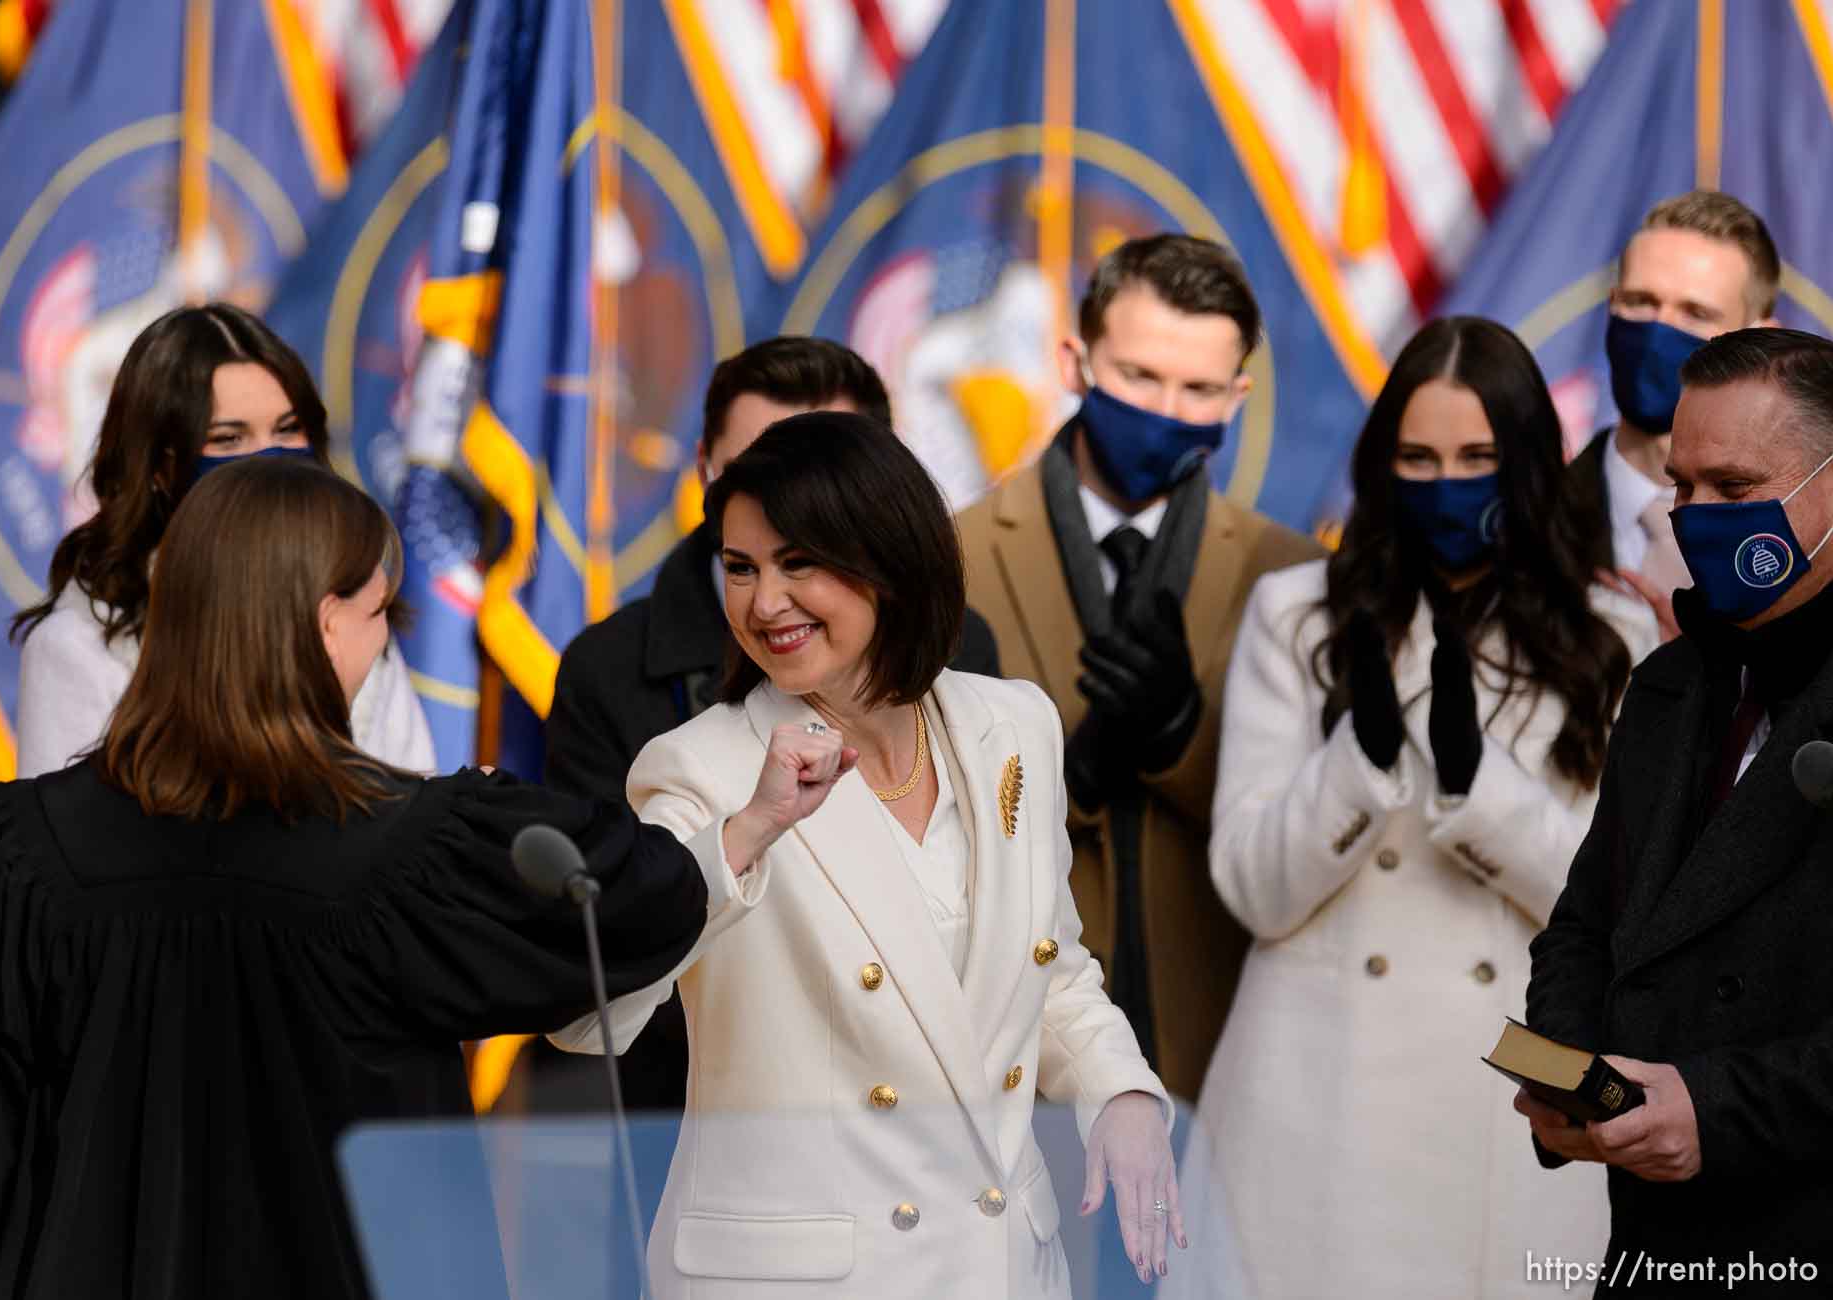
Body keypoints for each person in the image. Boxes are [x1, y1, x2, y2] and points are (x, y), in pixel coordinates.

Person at [0, 457, 821, 1299]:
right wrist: (748, 826)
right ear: (323, 624)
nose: (383, 641)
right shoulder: (411, 849)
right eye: (380, 611)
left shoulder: (22, 850)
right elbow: (624, 903)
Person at [551, 411, 1180, 1296]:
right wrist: (748, 832)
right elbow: (590, 1017)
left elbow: (1051, 970)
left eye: (798, 562)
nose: (763, 602)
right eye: (739, 568)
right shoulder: (699, 766)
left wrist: (1119, 1091)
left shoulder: (1015, 725)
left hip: (1002, 1267)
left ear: (889, 560)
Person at [1167, 317, 1656, 1300]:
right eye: (1419, 458)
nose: (1448, 485)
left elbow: (1617, 906)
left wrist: (1482, 792)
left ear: (1525, 464)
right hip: (1314, 1102)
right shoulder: (1299, 612)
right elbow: (1254, 888)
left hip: (1514, 1100)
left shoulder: (1614, 632)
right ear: (1384, 467)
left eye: (1477, 457)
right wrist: (1363, 756)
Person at [539, 335, 999, 1110]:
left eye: (825, 469)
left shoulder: (972, 662)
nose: (785, 496)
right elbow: (591, 984)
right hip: (700, 1110)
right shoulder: (618, 675)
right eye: (759, 465)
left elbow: (1026, 946)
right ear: (706, 476)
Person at [954, 233, 1321, 1102]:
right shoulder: (948, 559)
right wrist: (1064, 772)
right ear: (1074, 361)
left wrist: (1183, 743)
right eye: (1138, 377)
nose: (1165, 408)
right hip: (1012, 1059)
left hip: (1230, 1058)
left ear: (1237, 397)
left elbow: (1310, 829)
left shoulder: (1297, 577)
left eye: (1197, 389)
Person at [1522, 328, 1833, 1294]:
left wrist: (1711, 1110)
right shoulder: (1668, 684)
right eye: (1680, 485)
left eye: (1732, 490)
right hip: (1659, 1251)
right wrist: (1565, 1071)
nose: (1694, 517)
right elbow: (1585, 925)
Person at [11, 302, 434, 777]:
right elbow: (62, 841)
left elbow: (409, 803)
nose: (265, 463)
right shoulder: (79, 646)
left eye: (287, 430)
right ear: (160, 468)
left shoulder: (353, 611)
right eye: (230, 439)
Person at [1571, 190, 1779, 640]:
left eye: (1695, 312)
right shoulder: (1523, 525)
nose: (1657, 330)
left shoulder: (1806, 540)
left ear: (1760, 342)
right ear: (1612, 305)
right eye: (1641, 301)